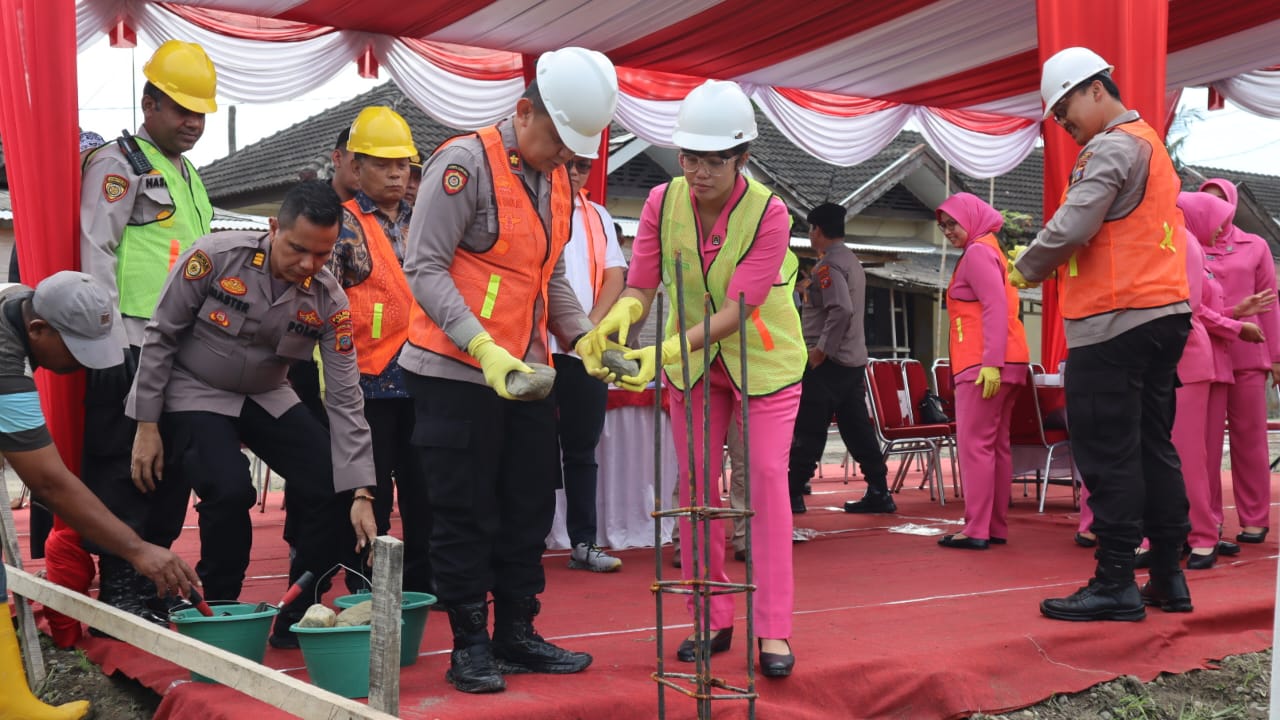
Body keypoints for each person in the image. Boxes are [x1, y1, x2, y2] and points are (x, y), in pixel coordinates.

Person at [398, 47, 616, 693]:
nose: (565, 160)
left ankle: (516, 633)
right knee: (464, 512)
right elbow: (425, 267)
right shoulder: (462, 164)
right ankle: (469, 645)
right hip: (454, 373)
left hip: (526, 374)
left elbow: (548, 279)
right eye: (559, 141)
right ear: (524, 113)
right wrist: (481, 346)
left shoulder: (554, 181)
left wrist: (583, 338)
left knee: (525, 507)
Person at [591, 79, 805, 678]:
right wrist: (620, 321)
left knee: (764, 481)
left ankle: (774, 630)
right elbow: (641, 283)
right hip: (692, 364)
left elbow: (738, 309)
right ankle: (709, 617)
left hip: (764, 361)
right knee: (694, 487)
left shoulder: (770, 210)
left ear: (742, 158)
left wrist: (658, 350)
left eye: (716, 159)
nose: (700, 170)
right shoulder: (662, 201)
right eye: (691, 156)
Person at [125, 180, 378, 649]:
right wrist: (146, 425)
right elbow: (160, 335)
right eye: (298, 249)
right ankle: (221, 610)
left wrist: (362, 488)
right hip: (195, 390)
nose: (308, 266)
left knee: (332, 484)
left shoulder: (329, 298)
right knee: (229, 489)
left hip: (266, 394)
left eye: (322, 255)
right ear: (274, 227)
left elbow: (345, 397)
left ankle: (298, 610)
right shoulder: (215, 257)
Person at [1012, 47, 1192, 621]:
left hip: (1113, 323)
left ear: (1095, 89)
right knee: (1152, 449)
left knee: (1108, 453)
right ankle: (1167, 575)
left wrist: (1023, 268)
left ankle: (1115, 580)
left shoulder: (1111, 146)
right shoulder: (1150, 144)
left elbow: (1075, 223)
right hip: (1162, 315)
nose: (1063, 126)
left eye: (1064, 111)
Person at [0, 272, 200, 720]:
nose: (86, 364)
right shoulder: (4, 364)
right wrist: (136, 550)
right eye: (76, 349)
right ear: (38, 330)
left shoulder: (17, 302)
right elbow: (50, 483)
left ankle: (6, 697)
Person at [78, 39, 218, 623]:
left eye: (200, 113)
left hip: (182, 348)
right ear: (148, 104)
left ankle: (155, 578)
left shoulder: (189, 175)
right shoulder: (119, 164)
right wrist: (105, 344)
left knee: (173, 466)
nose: (192, 122)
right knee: (122, 465)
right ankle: (123, 584)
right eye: (181, 109)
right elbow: (96, 252)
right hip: (131, 341)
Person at [326, 106, 431, 593]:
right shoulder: (340, 226)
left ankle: (425, 582)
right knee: (371, 494)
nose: (396, 173)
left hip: (423, 376)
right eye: (383, 164)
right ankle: (367, 587)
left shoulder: (423, 219)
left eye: (403, 164)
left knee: (424, 489)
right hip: (366, 380)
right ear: (356, 166)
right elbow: (324, 301)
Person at [1172, 191, 1268, 568]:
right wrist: (1235, 319)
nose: (1222, 228)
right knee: (1191, 455)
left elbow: (1195, 310)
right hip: (1201, 361)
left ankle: (1204, 532)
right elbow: (1197, 310)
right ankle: (1198, 530)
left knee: (1201, 454)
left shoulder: (1193, 247)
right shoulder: (1186, 245)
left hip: (1206, 362)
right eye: (1215, 217)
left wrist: (1236, 321)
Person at [935, 193, 1029, 550]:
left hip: (983, 363)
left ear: (970, 219)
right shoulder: (991, 250)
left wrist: (990, 362)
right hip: (1009, 360)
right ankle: (993, 526)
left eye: (952, 223)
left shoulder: (977, 253)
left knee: (976, 446)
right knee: (996, 447)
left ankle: (976, 529)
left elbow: (993, 306)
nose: (947, 231)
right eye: (942, 226)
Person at [787, 202, 894, 515]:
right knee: (856, 427)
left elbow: (841, 309)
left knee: (809, 427)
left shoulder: (827, 267)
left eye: (810, 229)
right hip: (852, 359)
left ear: (817, 230)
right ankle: (879, 488)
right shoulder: (851, 260)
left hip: (828, 361)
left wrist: (821, 350)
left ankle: (793, 491)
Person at [553, 154, 627, 573]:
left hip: (587, 349)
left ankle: (583, 541)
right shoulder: (533, 204)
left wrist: (587, 330)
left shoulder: (597, 214)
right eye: (569, 164)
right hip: (537, 346)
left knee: (582, 450)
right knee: (532, 450)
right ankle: (526, 540)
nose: (576, 173)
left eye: (583, 166)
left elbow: (616, 276)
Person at [1197, 178, 1280, 547]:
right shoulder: (1187, 245)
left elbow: (1271, 302)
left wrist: (1277, 357)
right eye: (1207, 201)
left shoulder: (1255, 244)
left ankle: (1255, 518)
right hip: (1207, 353)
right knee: (1206, 443)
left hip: (1249, 353)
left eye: (1220, 202)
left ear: (1231, 205)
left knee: (1251, 440)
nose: (1215, 208)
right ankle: (1207, 518)